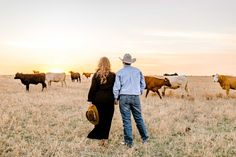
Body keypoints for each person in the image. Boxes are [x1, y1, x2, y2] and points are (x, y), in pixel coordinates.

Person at [113, 53, 149, 148]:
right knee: (138, 118)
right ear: (131, 62)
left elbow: (116, 87)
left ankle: (129, 142)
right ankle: (145, 138)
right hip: (135, 96)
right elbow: (143, 84)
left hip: (124, 97)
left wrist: (115, 98)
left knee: (126, 120)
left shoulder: (120, 72)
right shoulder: (138, 71)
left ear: (123, 62)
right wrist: (139, 91)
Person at [87, 57, 116, 145]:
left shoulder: (96, 75)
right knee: (107, 120)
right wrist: (115, 99)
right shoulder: (113, 75)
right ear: (109, 64)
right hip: (109, 100)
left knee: (98, 119)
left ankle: (100, 139)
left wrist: (90, 100)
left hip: (98, 100)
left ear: (99, 64)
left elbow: (93, 89)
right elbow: (115, 89)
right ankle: (105, 139)